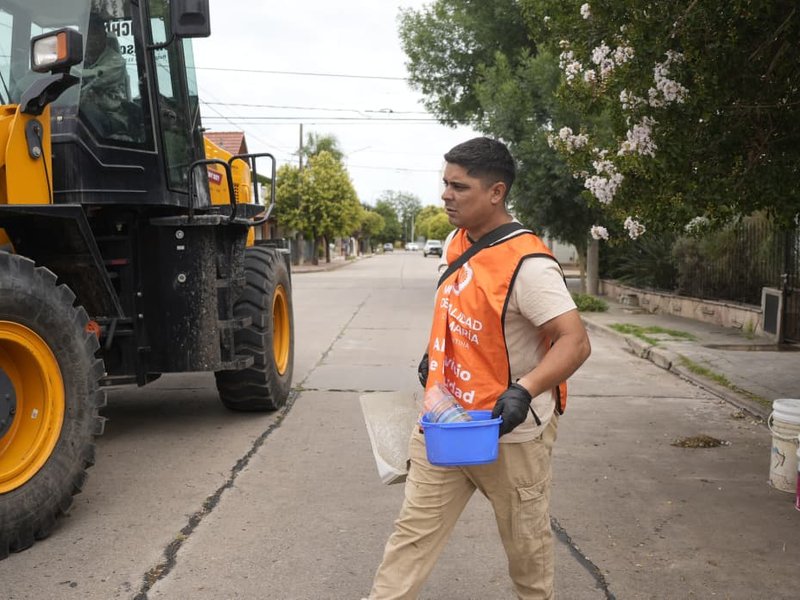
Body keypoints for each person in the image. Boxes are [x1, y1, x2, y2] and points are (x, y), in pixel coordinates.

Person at [366, 137, 591, 599]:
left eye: (459, 187)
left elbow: (576, 341)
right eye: (445, 183)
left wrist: (525, 389)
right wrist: (438, 356)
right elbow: (461, 307)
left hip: (509, 435)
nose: (446, 195)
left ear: (496, 192)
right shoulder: (455, 242)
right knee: (410, 540)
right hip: (444, 424)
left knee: (526, 553)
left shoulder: (528, 264)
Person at [79, 11, 132, 140]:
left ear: (103, 35)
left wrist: (68, 72)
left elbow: (96, 77)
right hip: (91, 115)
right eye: (86, 34)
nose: (90, 39)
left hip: (113, 117)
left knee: (83, 111)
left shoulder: (116, 62)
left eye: (94, 33)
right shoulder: (81, 61)